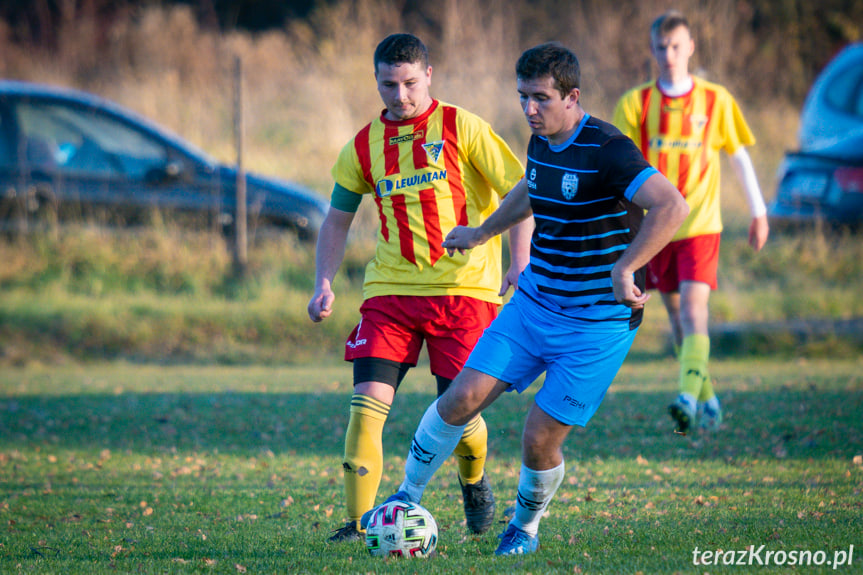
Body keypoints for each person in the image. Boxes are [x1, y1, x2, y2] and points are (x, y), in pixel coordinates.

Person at [362, 42, 689, 556]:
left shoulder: (608, 149)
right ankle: (406, 498)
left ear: (572, 96)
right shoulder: (541, 140)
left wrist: (626, 266)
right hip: (535, 305)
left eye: (540, 98)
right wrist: (484, 231)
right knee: (458, 400)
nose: (529, 110)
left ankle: (525, 527)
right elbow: (530, 187)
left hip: (597, 325)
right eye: (522, 97)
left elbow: (671, 205)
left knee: (538, 437)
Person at [307, 32, 533, 543]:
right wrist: (323, 281)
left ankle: (473, 481)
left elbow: (523, 193)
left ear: (428, 75)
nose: (400, 95)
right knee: (366, 405)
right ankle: (363, 524)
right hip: (389, 294)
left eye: (410, 83)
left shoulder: (462, 127)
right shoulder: (363, 146)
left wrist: (518, 263)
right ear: (377, 81)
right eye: (389, 84)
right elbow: (336, 220)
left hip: (464, 292)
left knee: (459, 410)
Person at [612, 10, 769, 435]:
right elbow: (619, 166)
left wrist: (759, 211)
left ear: (691, 47)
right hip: (657, 229)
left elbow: (738, 154)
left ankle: (685, 396)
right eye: (661, 47)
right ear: (652, 50)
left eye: (676, 46)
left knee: (696, 311)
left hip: (701, 225)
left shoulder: (715, 100)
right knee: (679, 319)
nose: (669, 54)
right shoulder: (636, 103)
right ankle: (708, 397)